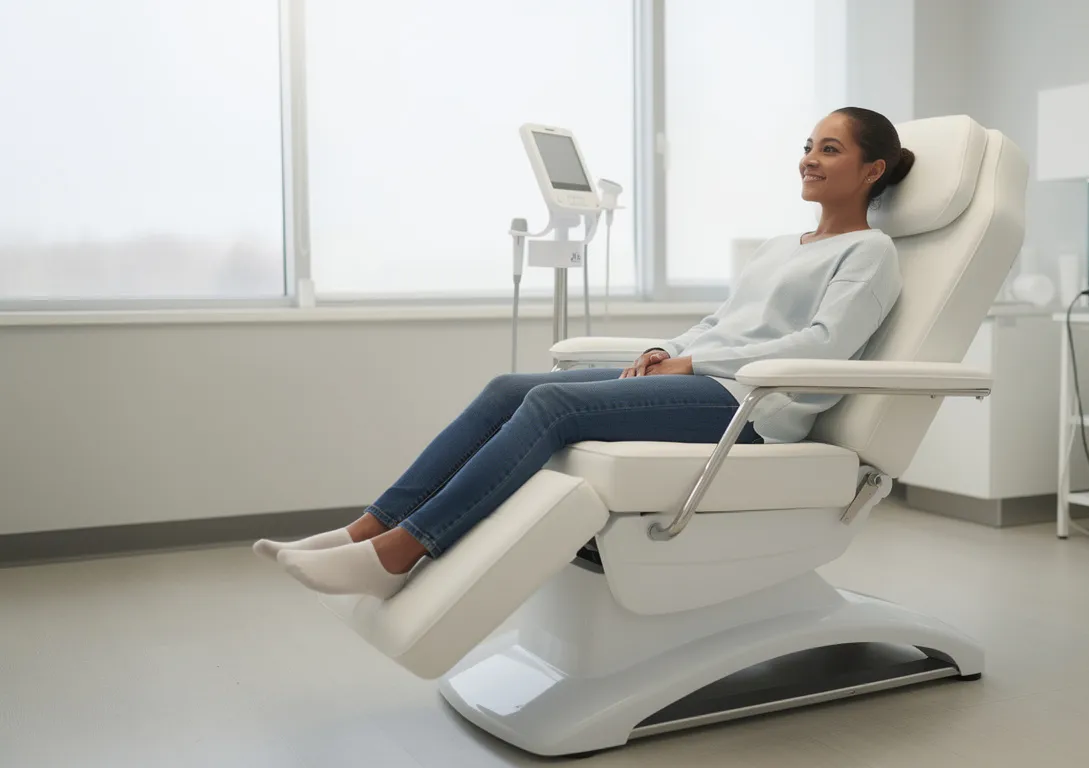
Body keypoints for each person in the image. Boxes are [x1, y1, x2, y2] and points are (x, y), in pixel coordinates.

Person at [254, 107, 917, 599]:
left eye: (829, 149)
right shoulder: (781, 245)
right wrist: (669, 349)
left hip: (753, 405)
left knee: (553, 403)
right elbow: (722, 320)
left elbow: (827, 344)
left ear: (872, 170)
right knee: (509, 388)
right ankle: (365, 530)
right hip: (708, 379)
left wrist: (696, 364)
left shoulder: (870, 252)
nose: (809, 158)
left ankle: (401, 552)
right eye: (807, 146)